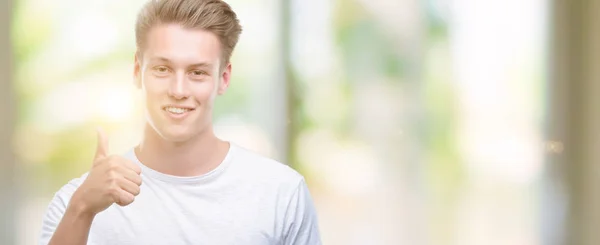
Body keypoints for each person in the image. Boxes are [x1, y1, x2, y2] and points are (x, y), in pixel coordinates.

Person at [38, 0, 322, 244]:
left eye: (197, 73)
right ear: (138, 71)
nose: (178, 90)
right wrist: (82, 208)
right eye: (162, 69)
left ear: (223, 78)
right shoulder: (77, 202)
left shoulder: (281, 193)